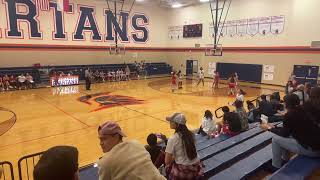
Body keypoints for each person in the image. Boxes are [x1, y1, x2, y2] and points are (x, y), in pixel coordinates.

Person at [260, 90, 320, 171]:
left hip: (312, 151)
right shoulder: (302, 110)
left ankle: (275, 166)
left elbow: (285, 134)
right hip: (316, 147)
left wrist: (269, 128)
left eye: (284, 102)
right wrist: (274, 128)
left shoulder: (289, 115)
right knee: (285, 137)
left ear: (287, 104)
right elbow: (289, 131)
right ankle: (285, 160)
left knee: (275, 139)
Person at [97, 121, 165, 180]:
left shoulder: (105, 163)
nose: (100, 143)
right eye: (100, 139)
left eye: (104, 139)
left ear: (116, 136)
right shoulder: (136, 143)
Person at [165, 113, 204, 179]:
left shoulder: (173, 139)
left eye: (171, 121)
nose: (170, 122)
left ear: (177, 124)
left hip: (184, 172)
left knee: (166, 167)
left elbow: (167, 161)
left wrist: (174, 157)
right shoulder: (191, 135)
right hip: (196, 168)